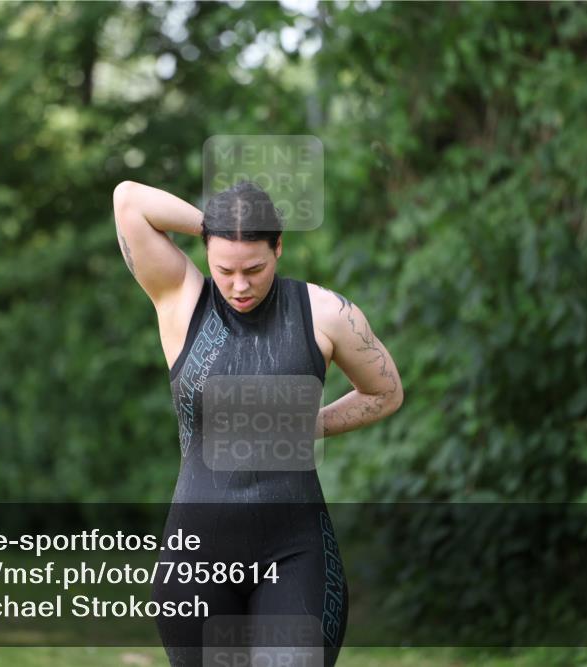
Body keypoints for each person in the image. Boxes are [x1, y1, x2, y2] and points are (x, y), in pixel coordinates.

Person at [113, 179, 403, 666]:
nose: (240, 285)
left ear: (280, 247)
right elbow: (128, 200)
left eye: (255, 267)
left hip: (296, 553)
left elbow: (386, 391)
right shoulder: (182, 300)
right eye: (225, 269)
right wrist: (217, 226)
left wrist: (309, 425)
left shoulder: (325, 314)